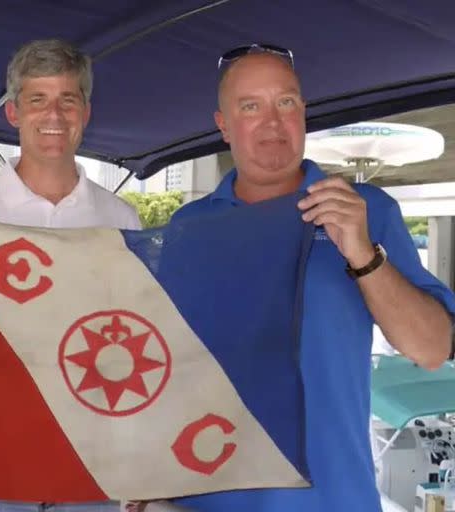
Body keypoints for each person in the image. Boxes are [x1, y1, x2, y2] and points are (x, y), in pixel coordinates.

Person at [170, 44, 455, 512]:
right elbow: (168, 362)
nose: (272, 122)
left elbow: (432, 349)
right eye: (250, 106)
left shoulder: (369, 210)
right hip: (208, 497)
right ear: (223, 125)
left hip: (333, 498)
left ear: (303, 113)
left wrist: (362, 253)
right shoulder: (189, 227)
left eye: (285, 102)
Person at [0, 38, 140, 512]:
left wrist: (140, 461)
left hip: (89, 468)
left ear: (86, 112)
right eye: (38, 99)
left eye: (67, 99)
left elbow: (136, 342)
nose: (54, 114)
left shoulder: (122, 219)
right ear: (13, 113)